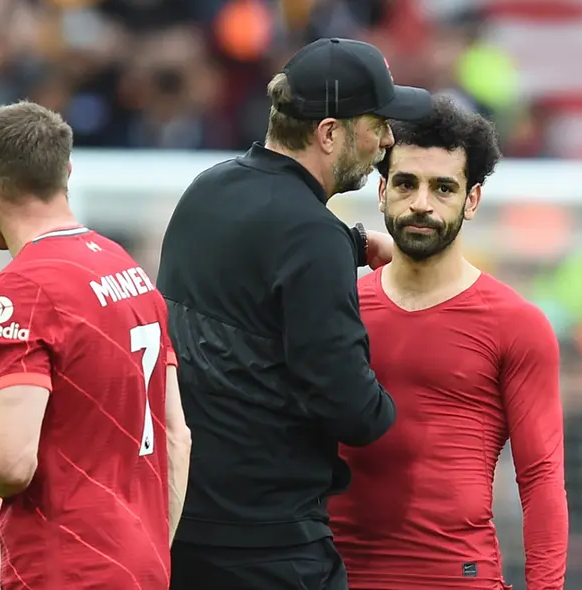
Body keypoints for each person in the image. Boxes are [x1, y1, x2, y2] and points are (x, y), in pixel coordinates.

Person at [157, 37, 432, 590]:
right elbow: (348, 405)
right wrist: (412, 410)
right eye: (376, 123)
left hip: (182, 523)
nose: (387, 139)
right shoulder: (311, 236)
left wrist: (351, 244)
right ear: (329, 133)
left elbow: (257, 268)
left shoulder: (208, 189)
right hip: (269, 543)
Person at [328, 96, 568, 590]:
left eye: (443, 188)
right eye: (406, 183)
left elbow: (541, 478)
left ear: (471, 201)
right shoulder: (334, 306)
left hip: (457, 577)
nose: (421, 203)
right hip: (331, 575)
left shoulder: (516, 324)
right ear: (381, 192)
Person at [0, 101, 192, 589]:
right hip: (144, 566)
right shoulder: (131, 273)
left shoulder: (23, 287)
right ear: (67, 171)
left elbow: (10, 464)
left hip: (66, 569)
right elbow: (178, 438)